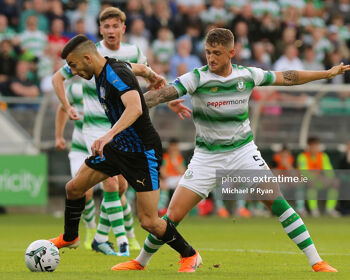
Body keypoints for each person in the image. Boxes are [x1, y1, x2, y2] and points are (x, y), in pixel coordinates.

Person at [113, 28, 350, 272]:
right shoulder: (196, 78)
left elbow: (288, 77)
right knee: (172, 215)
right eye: (207, 52)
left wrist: (326, 73)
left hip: (243, 153)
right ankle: (140, 262)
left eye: (216, 53)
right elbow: (160, 95)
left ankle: (317, 261)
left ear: (231, 53)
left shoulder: (247, 75)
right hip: (206, 157)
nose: (211, 58)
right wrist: (130, 103)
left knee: (278, 204)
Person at [49, 34, 201, 273]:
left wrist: (108, 134)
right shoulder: (107, 68)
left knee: (149, 221)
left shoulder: (115, 74)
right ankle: (70, 237)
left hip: (142, 152)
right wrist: (152, 75)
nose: (73, 71)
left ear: (87, 57)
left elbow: (135, 108)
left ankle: (189, 254)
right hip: (118, 147)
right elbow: (136, 67)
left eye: (74, 65)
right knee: (74, 188)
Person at [52, 7, 148, 256]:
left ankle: (99, 237)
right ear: (101, 29)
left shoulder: (134, 52)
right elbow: (57, 78)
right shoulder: (88, 53)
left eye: (115, 26)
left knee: (121, 188)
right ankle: (121, 243)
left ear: (123, 28)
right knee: (109, 183)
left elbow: (139, 82)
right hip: (95, 127)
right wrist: (67, 106)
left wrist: (151, 77)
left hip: (121, 126)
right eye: (106, 26)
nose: (111, 30)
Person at [297, 137, 339, 217]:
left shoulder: (323, 156)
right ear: (308, 146)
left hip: (320, 181)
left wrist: (327, 179)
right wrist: (316, 177)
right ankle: (314, 210)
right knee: (311, 182)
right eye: (313, 146)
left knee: (335, 182)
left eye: (316, 146)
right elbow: (303, 173)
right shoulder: (302, 157)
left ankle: (330, 209)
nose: (315, 148)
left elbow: (329, 171)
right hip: (308, 181)